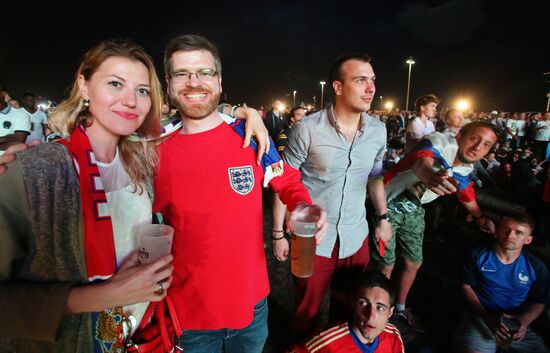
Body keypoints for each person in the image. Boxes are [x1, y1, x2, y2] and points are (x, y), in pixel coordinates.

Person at [153, 34, 326, 353]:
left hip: (252, 311)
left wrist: (301, 205)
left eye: (205, 73)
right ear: (168, 83)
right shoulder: (153, 151)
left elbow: (286, 180)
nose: (194, 82)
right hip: (187, 319)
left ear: (219, 81)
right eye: (182, 74)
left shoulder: (248, 136)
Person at [0, 40, 176, 353]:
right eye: (115, 84)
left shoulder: (141, 166)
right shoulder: (37, 171)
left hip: (136, 337)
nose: (131, 101)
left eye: (143, 90)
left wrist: (249, 116)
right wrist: (102, 296)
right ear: (84, 86)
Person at [272, 52, 391, 339]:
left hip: (355, 233)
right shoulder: (307, 129)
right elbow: (283, 180)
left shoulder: (378, 130)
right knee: (307, 310)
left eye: (372, 80)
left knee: (349, 306)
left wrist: (383, 216)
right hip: (312, 237)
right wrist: (277, 233)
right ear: (337, 87)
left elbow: (374, 177)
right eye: (360, 80)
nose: (370, 88)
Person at [376, 121, 499, 332]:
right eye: (475, 138)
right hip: (387, 203)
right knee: (385, 265)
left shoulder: (464, 167)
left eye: (486, 145)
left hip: (413, 208)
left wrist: (479, 217)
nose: (478, 147)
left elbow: (465, 191)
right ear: (459, 136)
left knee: (413, 263)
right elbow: (421, 161)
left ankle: (400, 308)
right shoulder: (439, 142)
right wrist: (430, 175)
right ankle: (378, 311)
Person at [453, 212, 550, 353]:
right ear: (497, 231)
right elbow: (466, 285)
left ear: (528, 240)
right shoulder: (477, 255)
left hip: (514, 321)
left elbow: (540, 300)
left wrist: (524, 321)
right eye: (506, 229)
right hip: (480, 315)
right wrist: (487, 317)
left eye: (518, 233)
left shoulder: (536, 267)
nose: (510, 236)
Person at [288, 271, 404, 353]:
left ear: (390, 313)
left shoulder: (393, 336)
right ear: (353, 303)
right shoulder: (325, 342)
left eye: (380, 308)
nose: (370, 316)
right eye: (363, 303)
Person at [0, 82, 31, 155]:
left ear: (3, 94)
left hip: (8, 162)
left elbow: (18, 140)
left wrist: (14, 139)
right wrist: (9, 138)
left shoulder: (20, 115)